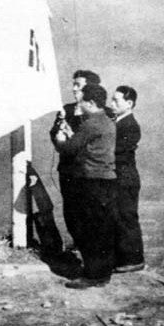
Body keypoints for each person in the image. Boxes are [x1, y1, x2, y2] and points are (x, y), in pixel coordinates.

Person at [53, 83, 117, 289]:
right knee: (101, 229)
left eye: (82, 103)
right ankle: (102, 273)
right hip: (106, 181)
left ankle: (92, 275)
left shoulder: (91, 124)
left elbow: (68, 149)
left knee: (89, 230)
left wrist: (60, 138)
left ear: (90, 103)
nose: (79, 106)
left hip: (91, 181)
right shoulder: (106, 121)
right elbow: (88, 145)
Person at [49, 70, 103, 249]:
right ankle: (79, 244)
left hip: (91, 171)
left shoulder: (103, 113)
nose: (73, 89)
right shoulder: (67, 110)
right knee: (71, 210)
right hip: (69, 170)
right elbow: (54, 133)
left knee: (92, 210)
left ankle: (93, 248)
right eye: (73, 84)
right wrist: (59, 136)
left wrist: (72, 137)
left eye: (78, 85)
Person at [110, 85, 144, 273]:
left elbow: (117, 151)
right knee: (118, 217)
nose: (112, 104)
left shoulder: (130, 125)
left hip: (125, 178)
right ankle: (122, 259)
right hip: (119, 177)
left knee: (126, 218)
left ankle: (134, 260)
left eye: (116, 100)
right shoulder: (117, 122)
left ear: (129, 103)